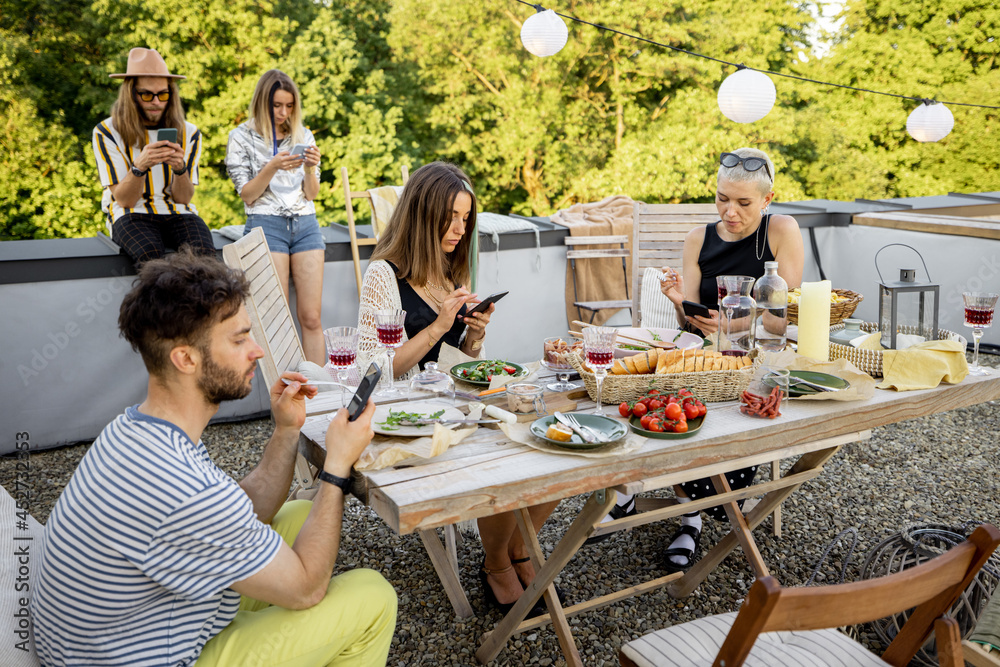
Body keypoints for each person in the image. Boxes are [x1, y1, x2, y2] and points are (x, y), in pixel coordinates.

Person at [31, 250, 396, 666]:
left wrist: (287, 430)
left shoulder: (136, 429)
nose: (257, 351)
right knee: (373, 595)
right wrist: (336, 468)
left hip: (113, 639)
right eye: (239, 339)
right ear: (185, 358)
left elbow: (242, 510)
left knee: (295, 513)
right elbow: (307, 588)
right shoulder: (183, 489)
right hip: (146, 658)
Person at [357, 162, 559, 614]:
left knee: (547, 437)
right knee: (511, 454)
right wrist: (438, 327)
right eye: (449, 217)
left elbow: (453, 367)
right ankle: (496, 563)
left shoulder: (448, 270)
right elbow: (374, 369)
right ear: (421, 215)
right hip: (404, 416)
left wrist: (474, 337)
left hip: (450, 405)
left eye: (465, 219)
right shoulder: (383, 275)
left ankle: (519, 551)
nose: (458, 228)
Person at [595, 148, 804, 571]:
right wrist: (679, 302)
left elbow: (785, 318)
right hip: (695, 358)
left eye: (744, 203)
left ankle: (676, 506)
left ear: (767, 199)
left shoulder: (781, 230)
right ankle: (671, 507)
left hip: (750, 358)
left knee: (732, 425)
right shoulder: (698, 239)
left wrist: (734, 323)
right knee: (638, 404)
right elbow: (688, 318)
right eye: (722, 198)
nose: (730, 212)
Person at [226, 70, 326, 364]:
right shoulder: (240, 137)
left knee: (311, 317)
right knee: (277, 322)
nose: (284, 113)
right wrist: (271, 167)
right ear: (261, 103)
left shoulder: (302, 134)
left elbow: (312, 193)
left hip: (306, 225)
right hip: (266, 225)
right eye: (277, 105)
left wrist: (310, 167)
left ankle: (321, 397)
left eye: (290, 106)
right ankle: (287, 399)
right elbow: (247, 194)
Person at [92, 47, 215, 264]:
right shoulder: (106, 131)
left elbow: (184, 199)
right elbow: (125, 200)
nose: (156, 102)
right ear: (131, 95)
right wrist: (139, 167)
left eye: (163, 94)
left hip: (178, 212)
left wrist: (180, 169)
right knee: (151, 259)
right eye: (147, 94)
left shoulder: (190, 133)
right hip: (131, 213)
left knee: (204, 259)